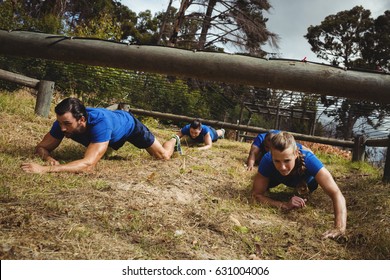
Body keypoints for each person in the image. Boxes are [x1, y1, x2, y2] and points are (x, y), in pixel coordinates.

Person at [21, 97, 181, 174]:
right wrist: (48, 158)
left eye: (67, 124)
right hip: (108, 133)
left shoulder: (100, 123)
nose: (62, 128)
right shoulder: (62, 124)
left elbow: (88, 165)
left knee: (163, 156)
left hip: (129, 126)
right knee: (104, 152)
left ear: (82, 119)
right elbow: (41, 147)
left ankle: (174, 139)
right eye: (60, 123)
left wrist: (44, 169)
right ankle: (106, 147)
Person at [252, 131, 347, 239]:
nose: (282, 167)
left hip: (308, 182)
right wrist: (284, 205)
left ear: (296, 153)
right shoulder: (267, 159)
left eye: (287, 160)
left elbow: (336, 194)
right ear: (271, 155)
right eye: (277, 161)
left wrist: (339, 228)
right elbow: (256, 195)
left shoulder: (309, 159)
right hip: (277, 178)